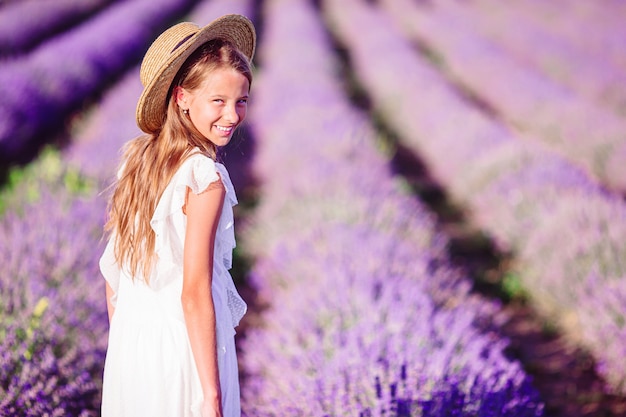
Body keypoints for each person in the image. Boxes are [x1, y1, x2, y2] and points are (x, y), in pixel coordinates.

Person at [98, 14, 256, 417]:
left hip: (133, 347)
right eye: (218, 101)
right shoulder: (205, 178)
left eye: (241, 100)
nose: (233, 115)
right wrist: (211, 395)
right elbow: (194, 292)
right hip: (183, 353)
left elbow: (113, 274)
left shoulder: (137, 161)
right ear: (183, 97)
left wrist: (125, 347)